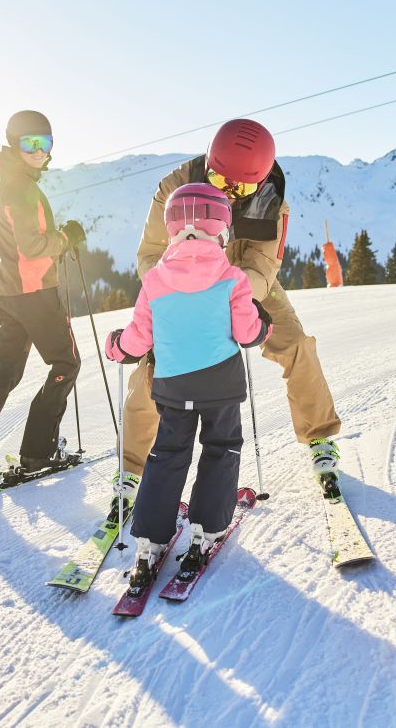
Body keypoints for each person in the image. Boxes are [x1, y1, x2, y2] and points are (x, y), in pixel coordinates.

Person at [113, 118, 342, 507]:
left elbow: (263, 267)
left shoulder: (274, 201)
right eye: (221, 183)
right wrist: (184, 298)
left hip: (243, 284)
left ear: (262, 178)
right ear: (209, 164)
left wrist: (225, 297)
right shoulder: (176, 187)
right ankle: (131, 471)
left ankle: (319, 438)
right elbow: (151, 253)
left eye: (243, 187)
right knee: (155, 364)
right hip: (179, 281)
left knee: (296, 343)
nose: (232, 194)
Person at [105, 182, 270, 587]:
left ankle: (148, 541)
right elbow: (248, 334)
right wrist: (263, 323)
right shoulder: (232, 278)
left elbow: (137, 341)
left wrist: (116, 347)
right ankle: (206, 530)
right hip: (221, 385)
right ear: (222, 229)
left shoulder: (156, 281)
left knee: (167, 453)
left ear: (172, 229)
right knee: (221, 447)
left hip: (173, 387)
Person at [0, 110, 88, 485]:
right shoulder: (22, 187)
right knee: (66, 364)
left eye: (46, 143)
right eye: (31, 144)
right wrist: (66, 238)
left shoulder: (9, 180)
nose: (40, 152)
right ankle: (37, 454)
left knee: (5, 371)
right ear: (14, 144)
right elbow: (33, 245)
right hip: (35, 294)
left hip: (10, 293)